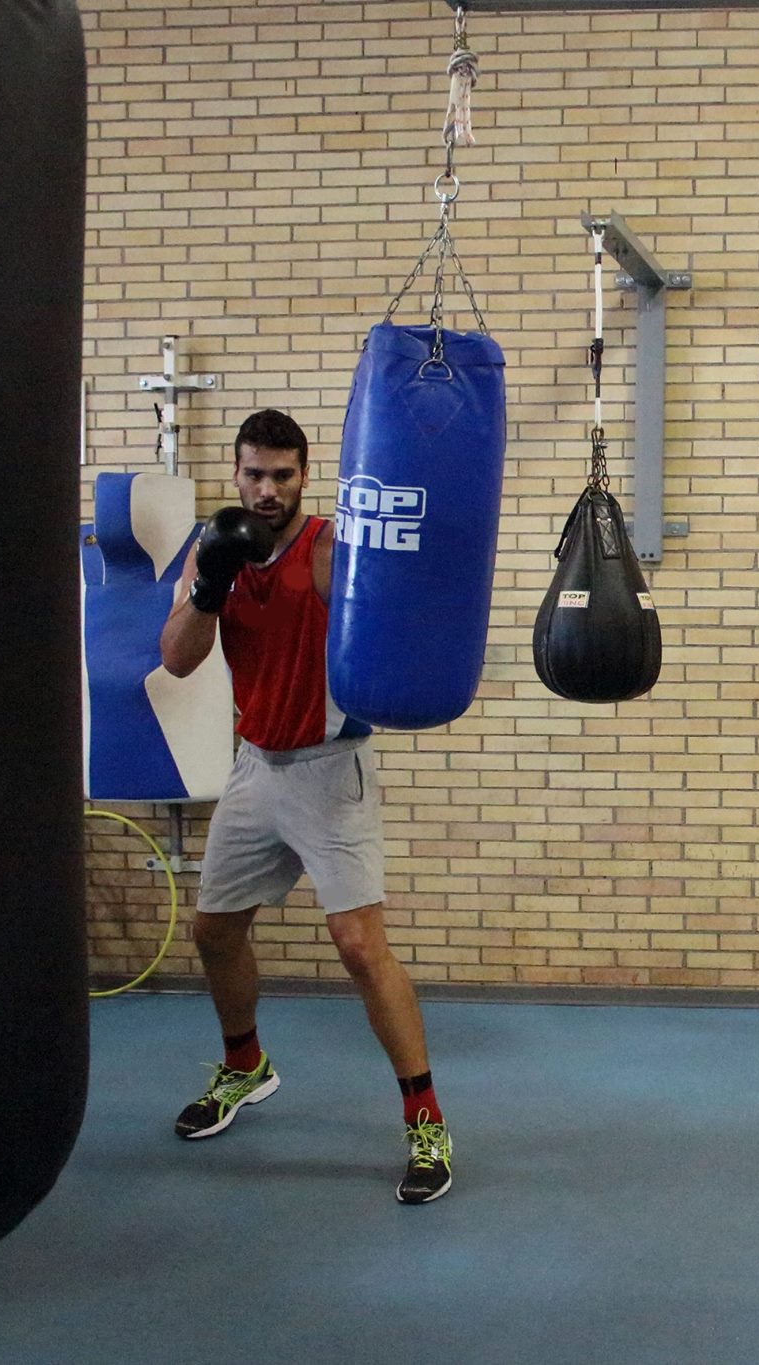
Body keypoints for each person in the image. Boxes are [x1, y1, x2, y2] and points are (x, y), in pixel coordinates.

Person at [159, 409, 452, 1205]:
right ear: (237, 469)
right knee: (214, 930)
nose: (265, 489)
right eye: (253, 473)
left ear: (303, 475)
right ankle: (244, 1063)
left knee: (359, 945)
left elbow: (391, 612)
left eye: (281, 475)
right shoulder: (210, 547)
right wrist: (210, 585)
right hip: (256, 767)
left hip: (330, 769)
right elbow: (178, 660)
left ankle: (426, 1119)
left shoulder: (327, 548)